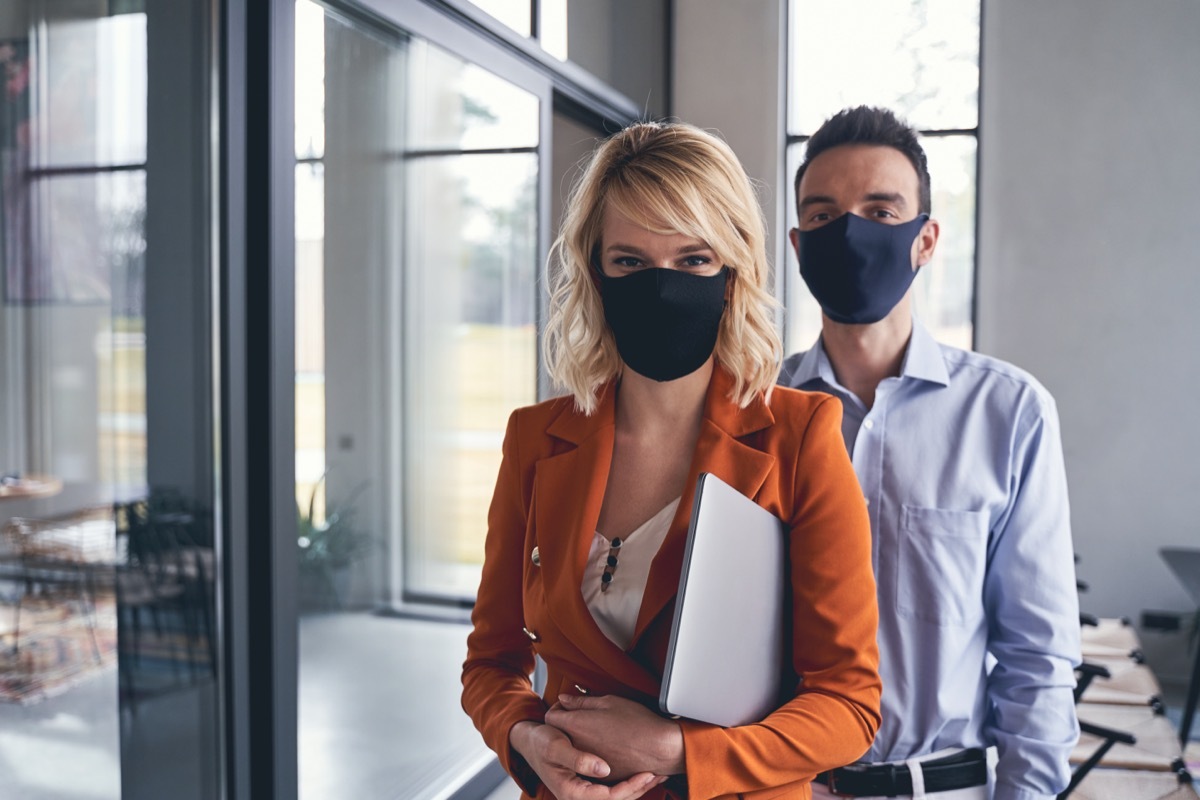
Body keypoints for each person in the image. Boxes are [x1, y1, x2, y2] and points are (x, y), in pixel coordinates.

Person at [462, 121, 882, 800]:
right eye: (630, 262)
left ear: (733, 270)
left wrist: (677, 751)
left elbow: (849, 704)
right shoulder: (535, 440)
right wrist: (527, 738)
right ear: (595, 271)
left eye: (692, 260)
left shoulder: (800, 437)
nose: (662, 288)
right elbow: (490, 662)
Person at [779, 105, 1081, 800]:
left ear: (925, 239)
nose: (850, 233)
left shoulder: (1009, 413)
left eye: (881, 212)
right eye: (823, 216)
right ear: (798, 245)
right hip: (785, 786)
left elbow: (1036, 656)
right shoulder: (756, 411)